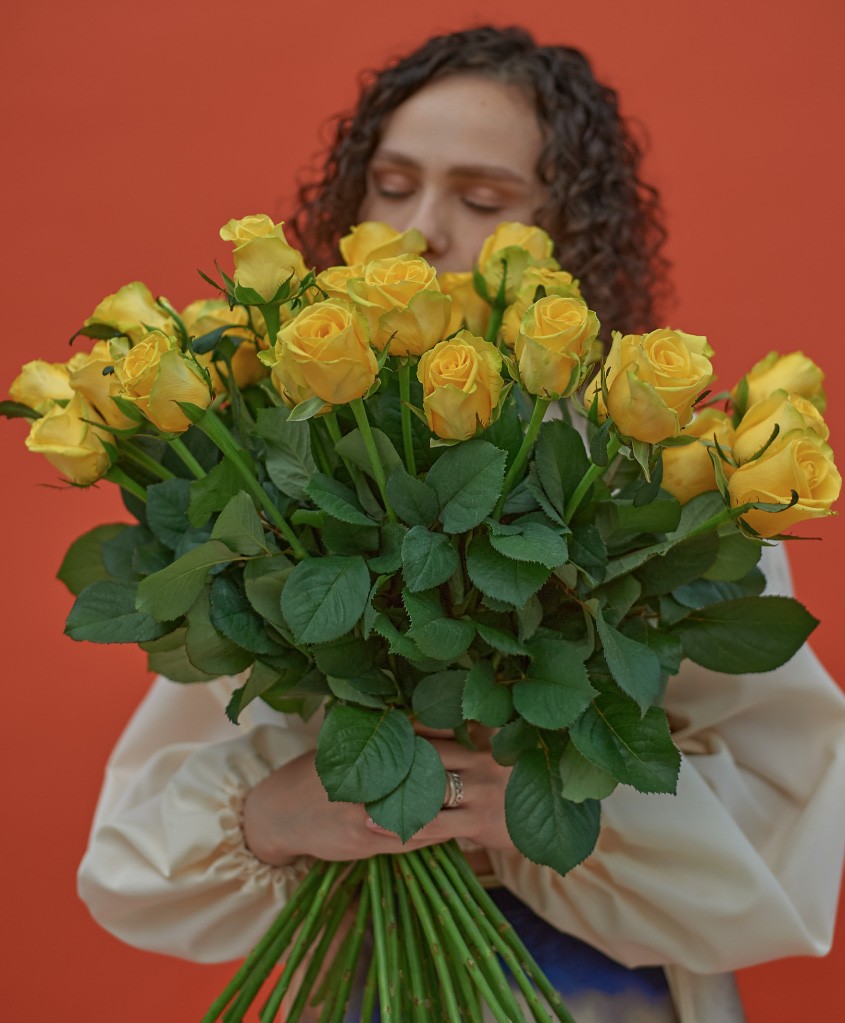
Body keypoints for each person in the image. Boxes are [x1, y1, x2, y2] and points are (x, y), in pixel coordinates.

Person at [76, 25, 845, 1023]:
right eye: (392, 186)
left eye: (482, 201)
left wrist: (553, 806)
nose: (421, 231)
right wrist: (270, 814)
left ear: (570, 232)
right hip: (358, 973)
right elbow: (134, 843)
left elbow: (785, 815)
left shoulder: (657, 481)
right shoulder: (291, 464)